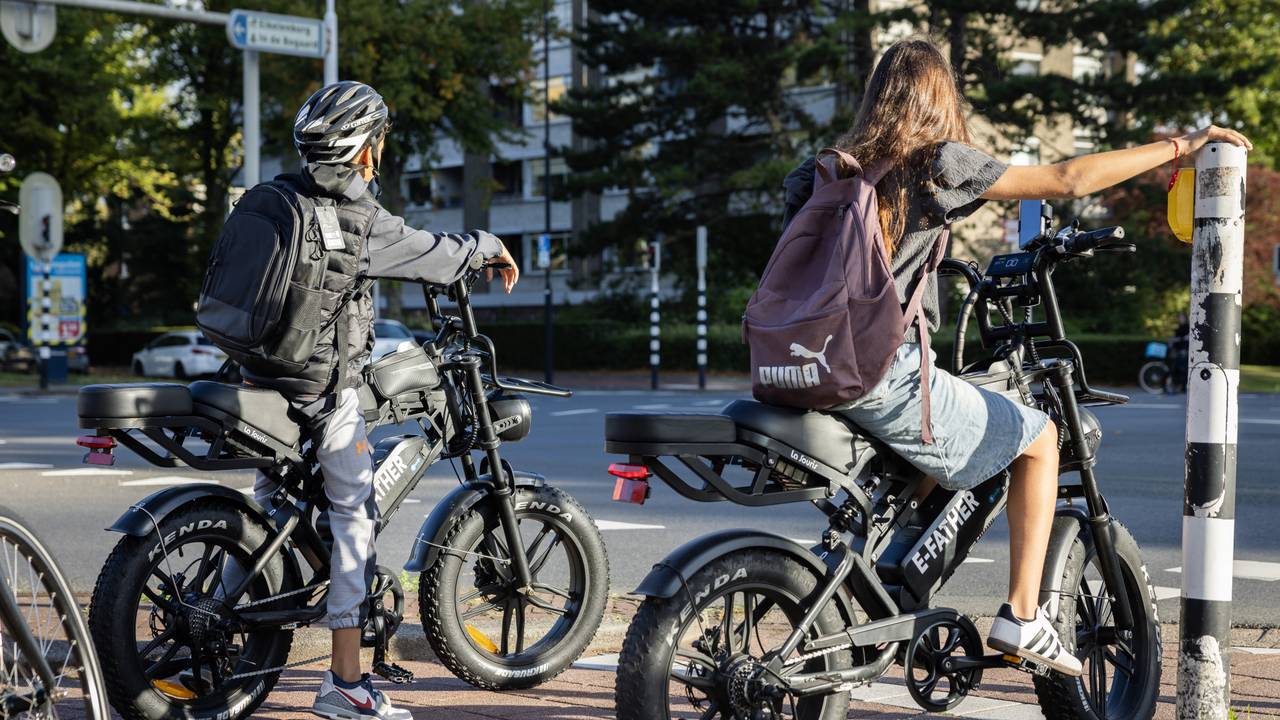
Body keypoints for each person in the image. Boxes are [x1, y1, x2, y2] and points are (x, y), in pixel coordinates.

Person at [780, 39, 1251, 676]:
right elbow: (1066, 179)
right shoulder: (935, 163)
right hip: (879, 373)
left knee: (945, 414)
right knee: (1039, 436)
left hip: (801, 363)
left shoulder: (823, 169)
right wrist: (1182, 145)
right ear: (938, 98)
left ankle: (885, 577)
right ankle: (1024, 616)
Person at [240, 81, 519, 720]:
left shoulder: (278, 198)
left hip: (261, 383)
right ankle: (344, 684)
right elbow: (431, 254)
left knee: (273, 510)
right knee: (354, 519)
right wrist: (485, 246)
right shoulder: (357, 217)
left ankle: (238, 647)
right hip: (319, 393)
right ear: (368, 149)